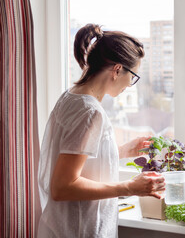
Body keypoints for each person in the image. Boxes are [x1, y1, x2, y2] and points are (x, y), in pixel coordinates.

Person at [37, 24, 165, 238]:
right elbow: (63, 186)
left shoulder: (71, 97)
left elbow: (77, 158)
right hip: (79, 231)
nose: (130, 84)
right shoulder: (89, 112)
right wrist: (129, 188)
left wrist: (122, 150)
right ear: (117, 69)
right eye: (132, 76)